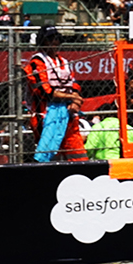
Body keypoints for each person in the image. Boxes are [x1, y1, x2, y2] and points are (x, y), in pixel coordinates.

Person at [23, 25, 84, 162]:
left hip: (69, 114)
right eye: (50, 39)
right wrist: (72, 97)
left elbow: (74, 84)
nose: (54, 42)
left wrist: (75, 102)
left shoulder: (65, 62)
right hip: (45, 115)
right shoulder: (36, 62)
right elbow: (44, 92)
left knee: (77, 152)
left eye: (56, 39)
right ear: (42, 42)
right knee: (50, 153)